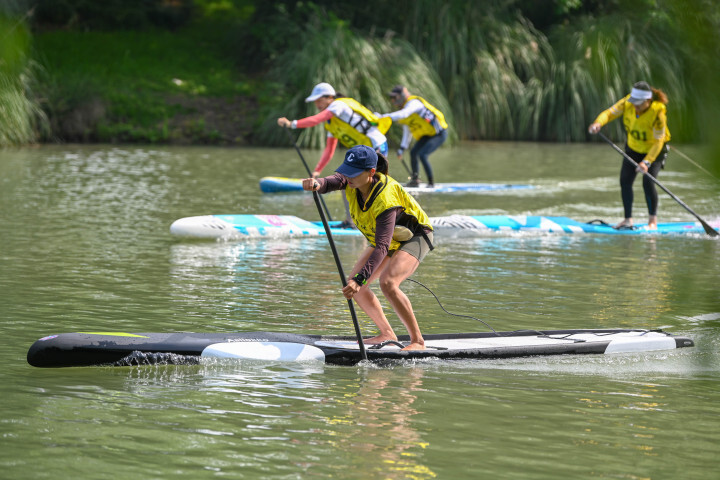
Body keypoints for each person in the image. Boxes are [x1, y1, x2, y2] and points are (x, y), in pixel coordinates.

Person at [302, 145, 434, 351]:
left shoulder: (385, 199)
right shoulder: (351, 180)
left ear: (372, 172)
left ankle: (417, 341)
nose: (347, 177)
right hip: (388, 238)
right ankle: (386, 333)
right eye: (346, 170)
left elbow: (381, 247)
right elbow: (330, 182)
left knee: (388, 283)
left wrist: (360, 279)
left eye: (353, 173)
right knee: (354, 286)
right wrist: (316, 183)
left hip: (414, 235)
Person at [278, 83, 391, 227]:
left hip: (377, 146)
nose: (317, 104)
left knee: (370, 185)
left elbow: (316, 119)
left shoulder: (338, 106)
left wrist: (291, 124)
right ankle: (351, 222)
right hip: (363, 152)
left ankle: (378, 220)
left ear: (330, 97)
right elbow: (329, 149)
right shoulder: (331, 123)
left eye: (319, 100)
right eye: (315, 101)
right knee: (347, 181)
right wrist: (317, 170)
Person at [588, 81, 671, 230]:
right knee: (625, 180)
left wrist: (646, 162)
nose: (635, 106)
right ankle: (628, 220)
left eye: (639, 104)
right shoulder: (627, 103)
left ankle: (652, 222)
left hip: (655, 151)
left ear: (648, 101)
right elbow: (608, 113)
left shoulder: (658, 112)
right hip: (633, 148)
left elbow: (659, 141)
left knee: (648, 181)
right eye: (634, 102)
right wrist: (598, 123)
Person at [378, 85, 448, 187]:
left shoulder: (413, 103)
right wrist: (402, 149)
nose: (393, 100)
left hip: (439, 133)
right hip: (427, 135)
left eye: (395, 97)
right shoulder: (405, 112)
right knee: (413, 152)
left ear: (402, 96)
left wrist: (383, 117)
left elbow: (404, 114)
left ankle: (431, 183)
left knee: (423, 155)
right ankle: (415, 180)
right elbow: (407, 133)